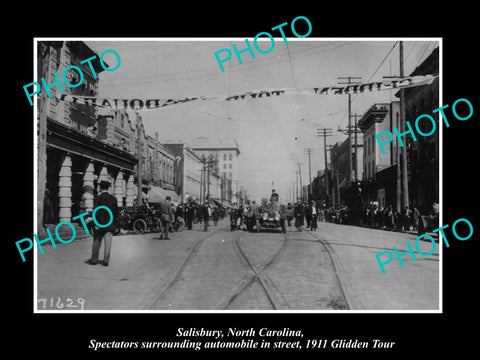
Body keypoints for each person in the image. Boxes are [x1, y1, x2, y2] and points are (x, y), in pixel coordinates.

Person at [85, 181, 118, 266]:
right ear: (108, 188)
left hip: (99, 224)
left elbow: (96, 212)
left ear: (100, 188)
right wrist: (114, 223)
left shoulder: (97, 198)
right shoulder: (113, 199)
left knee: (96, 242)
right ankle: (106, 261)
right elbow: (116, 213)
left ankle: (94, 260)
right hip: (109, 224)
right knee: (108, 242)